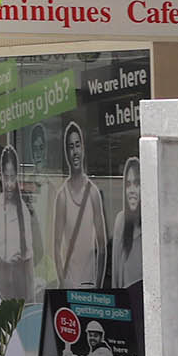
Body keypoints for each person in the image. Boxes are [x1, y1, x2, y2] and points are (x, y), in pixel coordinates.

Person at [48, 122, 110, 289]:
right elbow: (56, 245)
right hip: (70, 285)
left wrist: (98, 285)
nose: (74, 151)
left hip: (90, 285)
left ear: (82, 148)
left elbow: (102, 245)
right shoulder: (62, 196)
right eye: (70, 147)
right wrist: (63, 281)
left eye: (77, 145)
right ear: (66, 153)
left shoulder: (93, 193)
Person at [0, 140, 39, 307]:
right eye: (6, 177)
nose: (9, 184)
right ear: (1, 176)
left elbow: (29, 260)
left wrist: (32, 302)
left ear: (17, 176)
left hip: (20, 283)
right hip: (2, 282)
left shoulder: (23, 209)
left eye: (12, 177)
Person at [110, 156, 143, 288]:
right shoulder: (121, 221)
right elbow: (115, 278)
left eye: (137, 183)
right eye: (128, 184)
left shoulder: (152, 224)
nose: (132, 190)